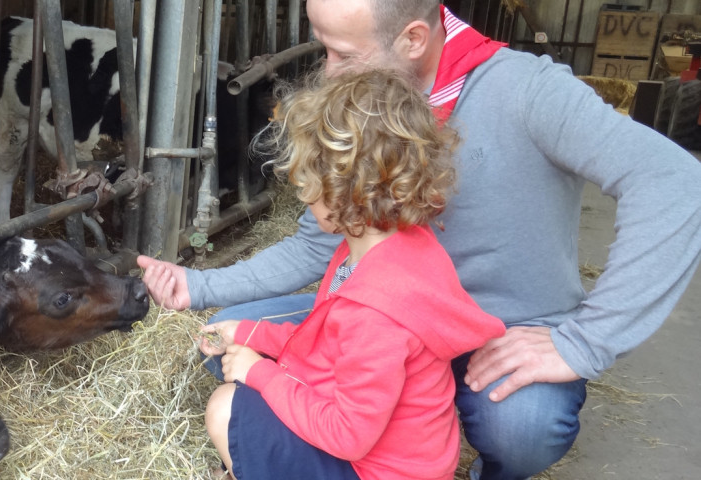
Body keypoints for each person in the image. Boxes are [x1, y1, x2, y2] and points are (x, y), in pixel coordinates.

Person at [139, 1, 701, 479]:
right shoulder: (362, 112)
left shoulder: (530, 90)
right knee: (226, 336)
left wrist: (585, 341)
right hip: (385, 315)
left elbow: (675, 181)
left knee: (523, 429)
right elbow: (317, 247)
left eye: (343, 54)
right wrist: (199, 285)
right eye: (324, 49)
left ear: (412, 39)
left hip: (497, 331)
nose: (329, 72)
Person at [199, 69, 506, 480]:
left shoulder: (376, 311)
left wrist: (260, 372)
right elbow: (326, 345)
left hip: (375, 470)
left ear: (344, 189)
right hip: (399, 459)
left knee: (226, 407)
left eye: (306, 179)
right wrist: (249, 333)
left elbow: (348, 436)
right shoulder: (388, 250)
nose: (301, 193)